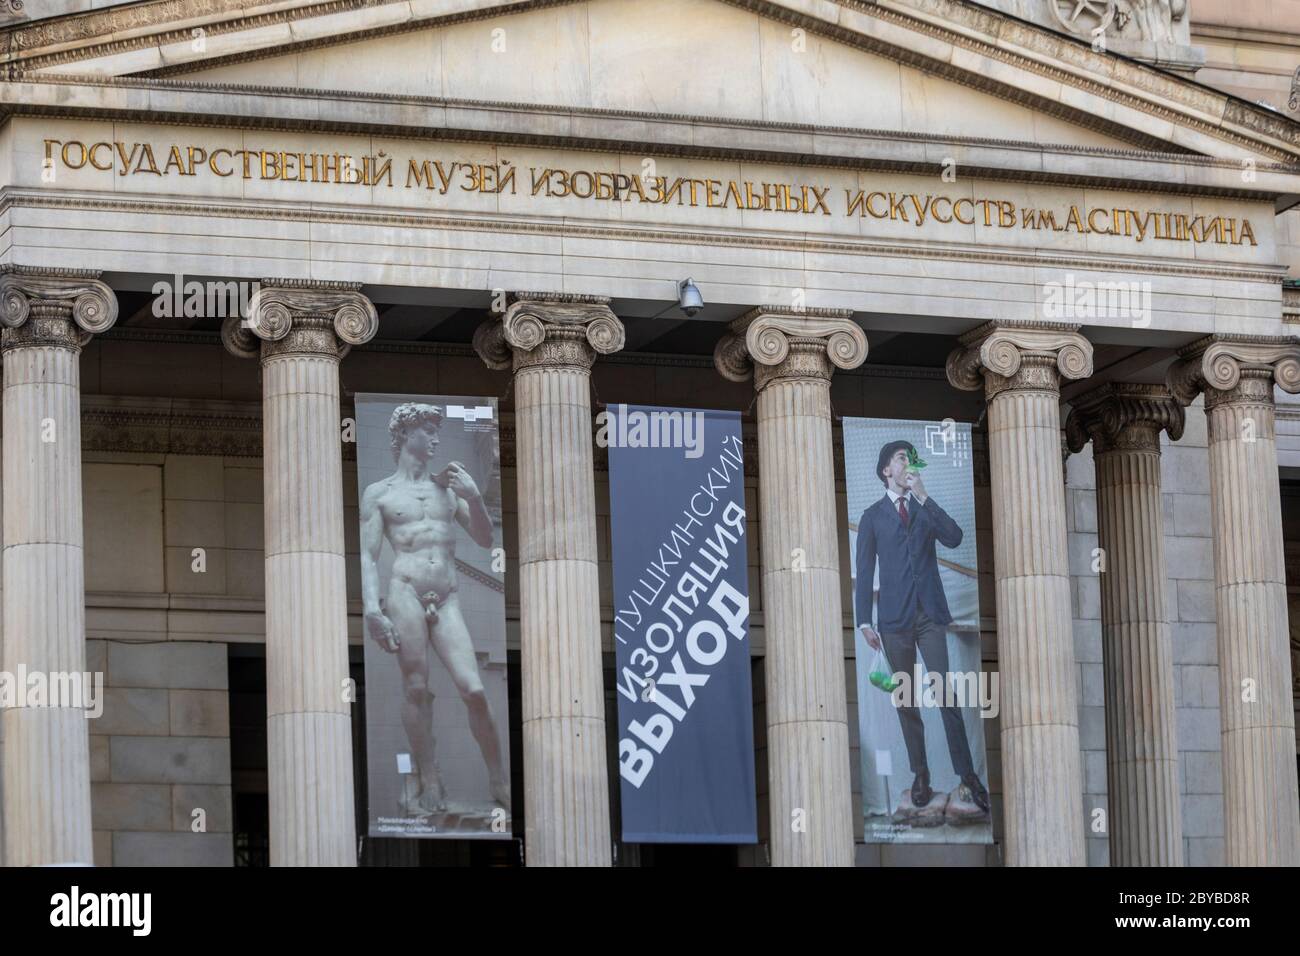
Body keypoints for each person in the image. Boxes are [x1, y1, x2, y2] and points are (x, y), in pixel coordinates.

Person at [360, 403, 510, 814]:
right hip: (404, 592)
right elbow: (368, 556)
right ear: (406, 435)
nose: (436, 438)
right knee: (415, 688)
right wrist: (372, 608)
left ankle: (497, 777)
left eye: (436, 430)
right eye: (428, 430)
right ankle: (429, 776)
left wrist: (475, 498)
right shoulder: (381, 494)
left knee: (474, 689)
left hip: (447, 596)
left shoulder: (447, 489)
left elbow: (483, 538)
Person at [854, 439, 989, 815]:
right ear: (887, 470)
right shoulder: (872, 517)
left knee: (945, 695)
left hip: (929, 616)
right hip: (893, 623)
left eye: (911, 460)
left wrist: (925, 496)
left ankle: (969, 776)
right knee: (906, 702)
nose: (908, 463)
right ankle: (921, 775)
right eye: (902, 458)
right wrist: (864, 620)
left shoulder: (923, 508)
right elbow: (864, 574)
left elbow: (956, 537)